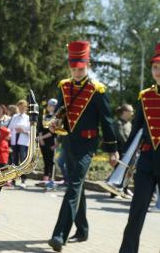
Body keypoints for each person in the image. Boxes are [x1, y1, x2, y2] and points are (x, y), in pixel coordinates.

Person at [48, 41, 119, 252]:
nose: (77, 72)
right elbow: (61, 110)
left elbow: (107, 121)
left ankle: (59, 235)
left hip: (87, 146)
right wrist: (54, 122)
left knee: (73, 186)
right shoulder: (64, 86)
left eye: (81, 68)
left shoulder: (97, 90)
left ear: (87, 65)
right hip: (68, 143)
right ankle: (83, 229)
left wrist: (112, 150)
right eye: (74, 68)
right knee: (76, 186)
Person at [119, 43, 160, 253]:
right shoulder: (145, 96)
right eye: (154, 67)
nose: (157, 71)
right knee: (136, 210)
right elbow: (136, 131)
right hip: (146, 160)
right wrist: (122, 161)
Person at [112, 103, 135, 198]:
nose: (132, 113)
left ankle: (124, 190)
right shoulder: (117, 123)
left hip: (129, 151)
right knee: (119, 171)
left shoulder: (129, 124)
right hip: (121, 151)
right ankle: (114, 192)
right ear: (125, 112)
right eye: (131, 111)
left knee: (127, 172)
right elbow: (121, 137)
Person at [8, 99, 30, 188]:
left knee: (23, 160)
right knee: (14, 161)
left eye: (23, 107)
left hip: (23, 141)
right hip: (14, 140)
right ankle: (13, 180)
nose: (21, 109)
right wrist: (9, 134)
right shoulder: (15, 117)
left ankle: (23, 180)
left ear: (26, 108)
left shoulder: (28, 118)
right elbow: (9, 128)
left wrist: (23, 130)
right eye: (19, 107)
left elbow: (31, 130)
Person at [38, 98, 58, 182]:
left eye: (52, 106)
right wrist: (40, 138)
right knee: (45, 160)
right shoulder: (45, 116)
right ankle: (45, 178)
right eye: (49, 105)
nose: (50, 107)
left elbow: (53, 132)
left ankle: (50, 178)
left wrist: (41, 138)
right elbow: (40, 128)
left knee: (51, 161)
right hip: (43, 142)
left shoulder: (56, 117)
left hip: (51, 142)